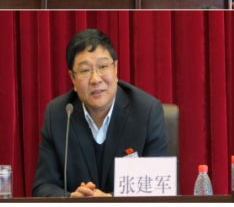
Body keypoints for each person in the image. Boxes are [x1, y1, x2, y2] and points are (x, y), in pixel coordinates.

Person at [32, 29, 168, 197]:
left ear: (115, 69)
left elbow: (159, 186)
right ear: (73, 78)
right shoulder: (59, 115)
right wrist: (72, 200)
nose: (95, 79)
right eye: (84, 71)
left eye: (103, 67)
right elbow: (43, 186)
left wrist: (110, 201)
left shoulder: (147, 112)